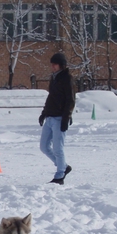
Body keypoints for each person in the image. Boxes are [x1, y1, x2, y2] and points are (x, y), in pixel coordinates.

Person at [39, 52, 75, 184]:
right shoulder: (54, 78)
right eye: (52, 64)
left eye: (55, 64)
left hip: (60, 118)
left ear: (62, 65)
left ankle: (60, 176)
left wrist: (66, 117)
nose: (52, 67)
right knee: (43, 147)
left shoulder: (67, 78)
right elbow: (51, 98)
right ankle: (64, 166)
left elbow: (70, 100)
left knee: (58, 148)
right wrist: (44, 113)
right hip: (50, 117)